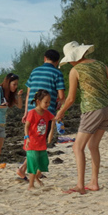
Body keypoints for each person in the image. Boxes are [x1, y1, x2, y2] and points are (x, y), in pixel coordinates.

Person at [55, 41, 108, 195]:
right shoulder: (100, 64)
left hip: (92, 110)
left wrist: (60, 112)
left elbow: (70, 99)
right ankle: (94, 183)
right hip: (106, 110)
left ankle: (80, 185)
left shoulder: (75, 70)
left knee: (77, 147)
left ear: (73, 58)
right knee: (93, 146)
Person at [16, 49, 66, 180]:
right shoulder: (57, 73)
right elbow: (61, 96)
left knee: (33, 140)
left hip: (32, 111)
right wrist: (60, 106)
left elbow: (28, 94)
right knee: (40, 142)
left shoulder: (35, 71)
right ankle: (23, 169)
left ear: (44, 58)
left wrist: (26, 112)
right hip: (45, 113)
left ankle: (34, 170)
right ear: (57, 61)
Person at [23, 90, 55, 191]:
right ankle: (30, 185)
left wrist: (51, 133)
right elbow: (26, 126)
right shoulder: (32, 112)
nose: (48, 104)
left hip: (41, 143)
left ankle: (37, 177)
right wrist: (27, 138)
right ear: (38, 101)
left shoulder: (46, 113)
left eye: (49, 102)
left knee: (44, 163)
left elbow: (53, 119)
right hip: (31, 143)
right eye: (46, 102)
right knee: (33, 164)